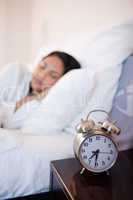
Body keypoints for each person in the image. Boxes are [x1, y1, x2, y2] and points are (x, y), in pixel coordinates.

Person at [0, 51, 81, 128]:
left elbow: (9, 123)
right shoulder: (16, 71)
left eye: (52, 75)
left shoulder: (44, 104)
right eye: (42, 66)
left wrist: (34, 98)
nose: (42, 75)